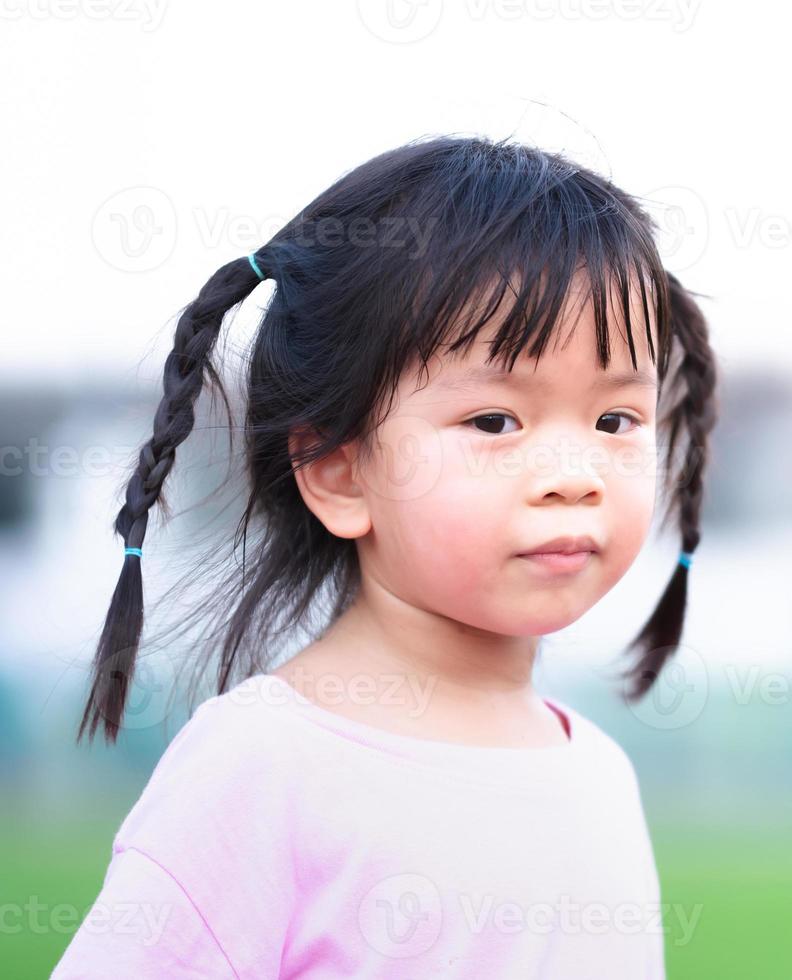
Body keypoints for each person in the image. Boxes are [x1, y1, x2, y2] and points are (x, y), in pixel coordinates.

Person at [52, 134, 719, 978]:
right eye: (494, 422)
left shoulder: (599, 777)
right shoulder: (261, 773)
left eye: (615, 421)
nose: (573, 476)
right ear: (338, 471)